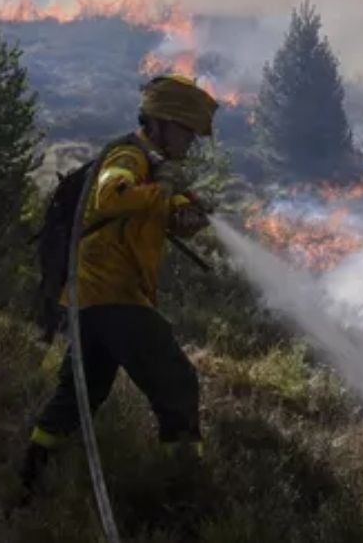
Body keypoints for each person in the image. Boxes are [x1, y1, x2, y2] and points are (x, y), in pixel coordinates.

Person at [19, 73, 219, 493]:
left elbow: (163, 211)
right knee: (177, 383)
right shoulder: (129, 157)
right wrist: (163, 189)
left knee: (80, 394)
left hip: (91, 296)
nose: (190, 142)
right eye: (187, 131)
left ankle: (28, 483)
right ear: (161, 124)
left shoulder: (154, 165)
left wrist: (185, 215)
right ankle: (184, 489)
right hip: (114, 293)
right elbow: (110, 196)